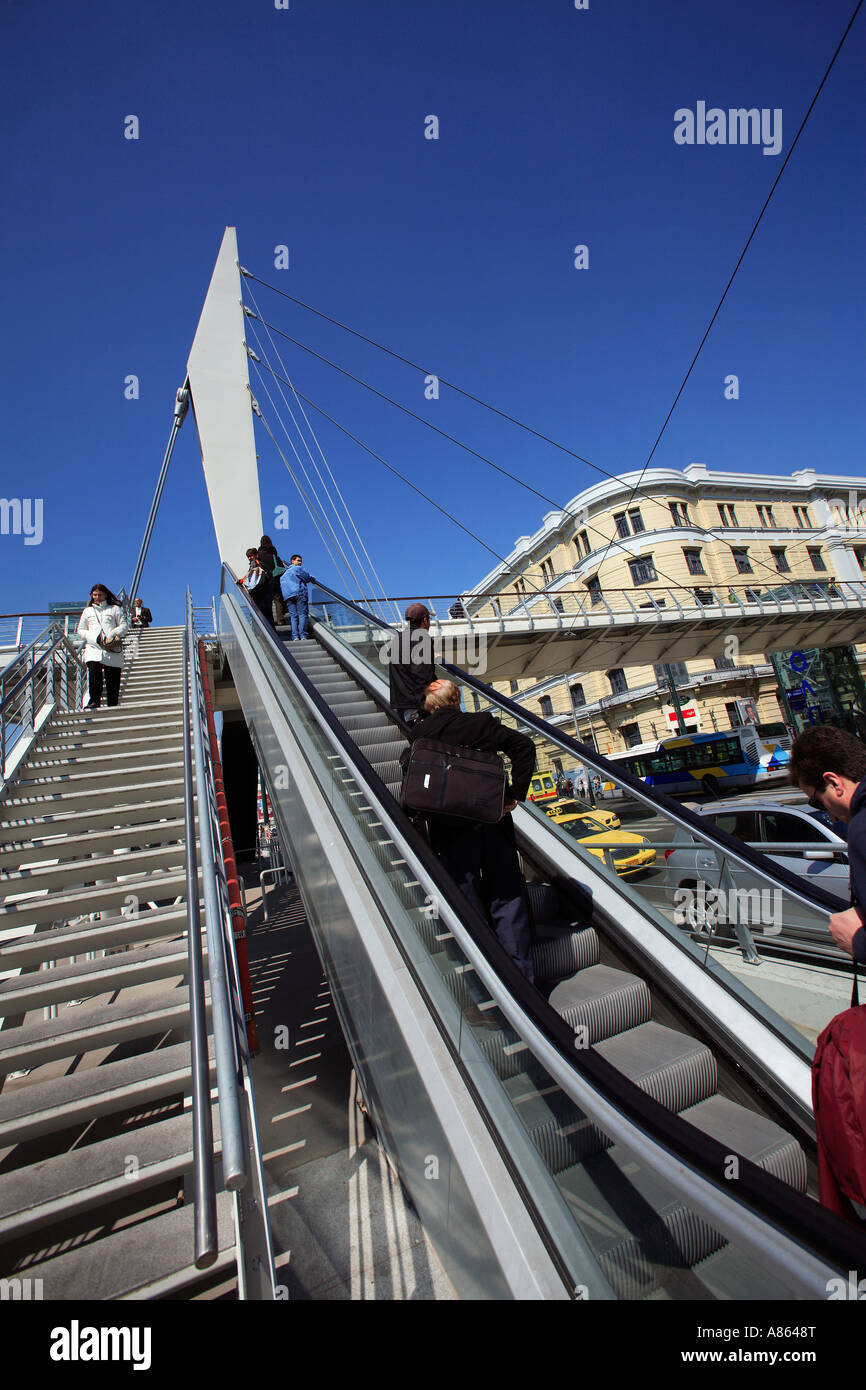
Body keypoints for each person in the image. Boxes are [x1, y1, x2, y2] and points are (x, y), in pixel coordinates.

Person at [407, 678, 536, 981]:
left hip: (450, 831)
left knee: (466, 901)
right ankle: (523, 981)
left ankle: (490, 981)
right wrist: (514, 794)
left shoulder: (421, 734)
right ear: (455, 700)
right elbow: (524, 746)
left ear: (430, 706)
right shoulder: (481, 724)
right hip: (492, 823)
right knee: (506, 893)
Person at [789, 723, 866, 964]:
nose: (831, 817)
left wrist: (858, 941)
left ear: (834, 782)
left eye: (817, 802)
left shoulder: (862, 828)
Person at [77, 584, 128, 708]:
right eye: (95, 595)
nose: (97, 597)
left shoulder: (114, 609)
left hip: (111, 647)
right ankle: (94, 701)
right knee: (94, 675)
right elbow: (81, 629)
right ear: (91, 596)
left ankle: (112, 704)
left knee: (113, 679)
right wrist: (94, 638)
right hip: (94, 648)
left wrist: (112, 634)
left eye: (100, 595)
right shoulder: (87, 611)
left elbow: (124, 626)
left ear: (105, 595)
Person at [387, 602, 436, 726]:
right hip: (418, 707)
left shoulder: (397, 639)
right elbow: (422, 674)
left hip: (401, 705)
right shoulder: (422, 638)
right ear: (425, 620)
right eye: (429, 619)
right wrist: (425, 708)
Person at [280, 554, 314, 640]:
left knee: (293, 616)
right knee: (302, 614)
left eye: (300, 561)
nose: (300, 562)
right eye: (298, 560)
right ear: (292, 561)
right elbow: (306, 577)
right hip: (299, 593)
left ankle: (295, 636)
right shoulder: (297, 568)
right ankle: (303, 635)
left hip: (288, 596)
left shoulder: (284, 574)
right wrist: (313, 579)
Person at [243, 548, 276, 629]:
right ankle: (272, 633)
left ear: (256, 555)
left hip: (262, 595)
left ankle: (269, 634)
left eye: (251, 556)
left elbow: (268, 579)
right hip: (262, 595)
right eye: (248, 556)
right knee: (267, 616)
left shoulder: (260, 566)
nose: (249, 558)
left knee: (263, 616)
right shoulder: (257, 566)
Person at [258, 534, 287, 626]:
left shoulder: (259, 556)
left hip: (264, 582)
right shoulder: (274, 556)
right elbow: (282, 568)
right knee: (277, 600)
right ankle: (280, 620)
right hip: (275, 580)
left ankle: (268, 621)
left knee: (267, 601)